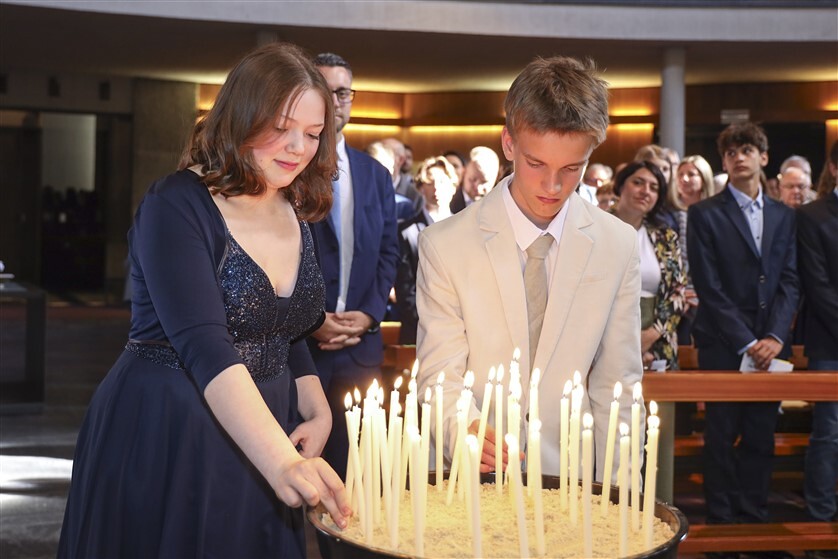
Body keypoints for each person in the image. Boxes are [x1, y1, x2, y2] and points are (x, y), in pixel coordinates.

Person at [57, 43, 350, 559]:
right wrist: (282, 461)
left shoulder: (293, 204)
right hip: (172, 425)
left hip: (263, 426)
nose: (298, 147)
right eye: (281, 127)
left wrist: (316, 407)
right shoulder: (176, 203)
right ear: (242, 117)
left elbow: (284, 328)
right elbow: (206, 346)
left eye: (312, 133)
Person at [416, 55, 644, 481]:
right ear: (509, 143)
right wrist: (462, 428)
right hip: (469, 479)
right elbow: (438, 375)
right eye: (536, 163)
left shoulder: (617, 244)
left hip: (572, 479)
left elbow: (619, 386)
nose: (552, 187)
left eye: (571, 169)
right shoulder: (445, 244)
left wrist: (621, 495)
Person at [687, 122, 799, 548]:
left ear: (763, 157)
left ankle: (754, 520)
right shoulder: (705, 213)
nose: (739, 157)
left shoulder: (784, 214)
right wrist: (747, 341)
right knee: (719, 435)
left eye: (747, 150)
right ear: (724, 161)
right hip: (722, 341)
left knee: (759, 435)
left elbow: (790, 280)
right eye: (731, 152)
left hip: (771, 342)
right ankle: (720, 524)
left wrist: (774, 336)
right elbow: (708, 286)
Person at [309, 53, 399, 480]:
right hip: (301, 352)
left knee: (357, 479)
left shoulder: (376, 175)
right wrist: (311, 321)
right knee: (297, 475)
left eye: (342, 92)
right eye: (324, 90)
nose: (334, 101)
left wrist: (369, 315)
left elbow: (388, 254)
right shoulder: (289, 169)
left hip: (360, 351)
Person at [797, 140, 838, 539]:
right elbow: (817, 284)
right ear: (835, 168)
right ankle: (819, 522)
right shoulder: (813, 215)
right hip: (830, 340)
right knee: (829, 433)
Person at [611, 160, 686, 372]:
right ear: (620, 185)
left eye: (654, 188)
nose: (645, 191)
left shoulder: (666, 237)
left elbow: (678, 292)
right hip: (603, 340)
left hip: (656, 342)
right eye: (638, 182)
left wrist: (651, 335)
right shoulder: (595, 229)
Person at [394, 156, 459, 345]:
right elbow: (405, 289)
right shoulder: (407, 231)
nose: (436, 188)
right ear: (421, 188)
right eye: (429, 182)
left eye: (442, 182)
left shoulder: (466, 228)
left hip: (460, 330)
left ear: (453, 186)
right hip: (419, 331)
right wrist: (432, 325)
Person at [449, 145, 500, 214]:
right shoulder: (446, 202)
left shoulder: (500, 207)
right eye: (472, 180)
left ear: (495, 179)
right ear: (464, 173)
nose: (478, 188)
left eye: (484, 182)